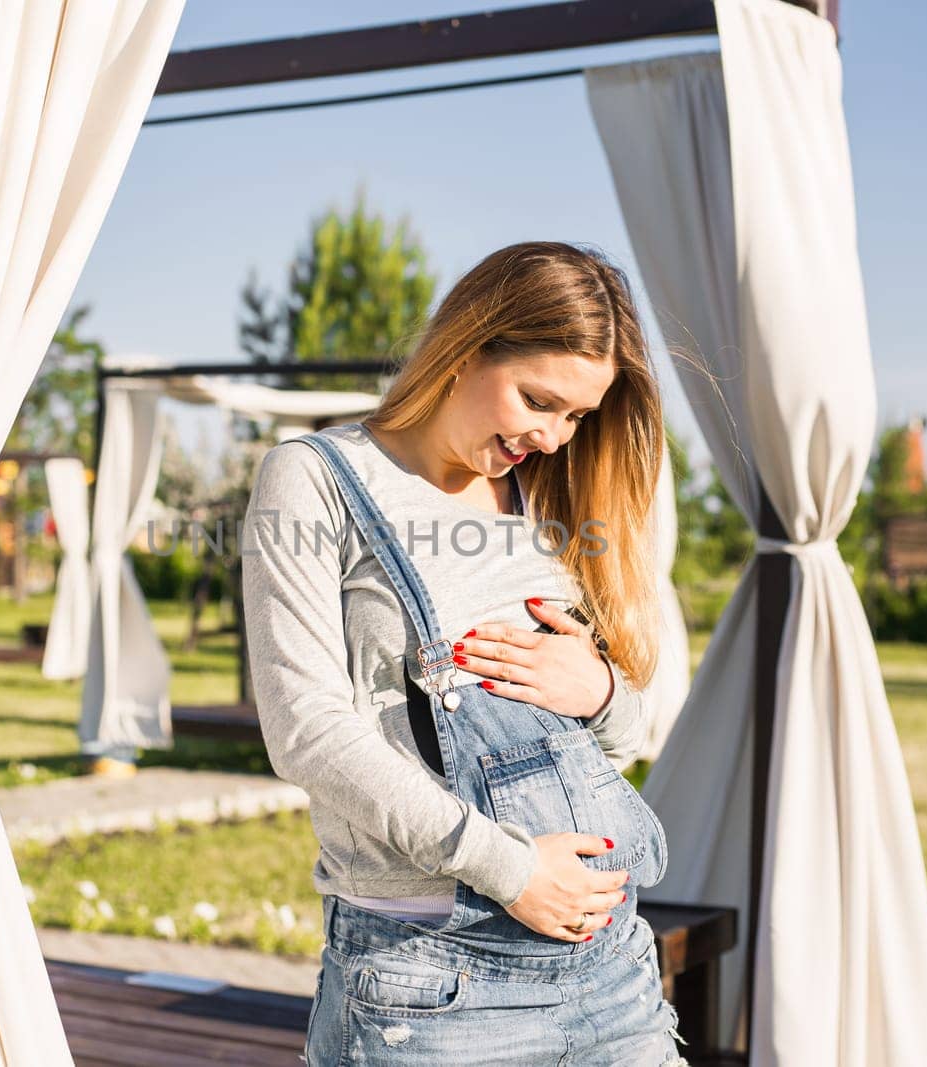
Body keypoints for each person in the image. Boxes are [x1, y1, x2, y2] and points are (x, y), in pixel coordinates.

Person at [241, 241, 686, 1065]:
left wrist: (598, 692)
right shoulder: (318, 480)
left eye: (577, 417)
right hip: (436, 985)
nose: (553, 436)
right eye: (538, 400)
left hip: (613, 971)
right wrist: (509, 867)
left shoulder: (549, 493)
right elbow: (306, 730)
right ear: (468, 345)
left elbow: (621, 740)